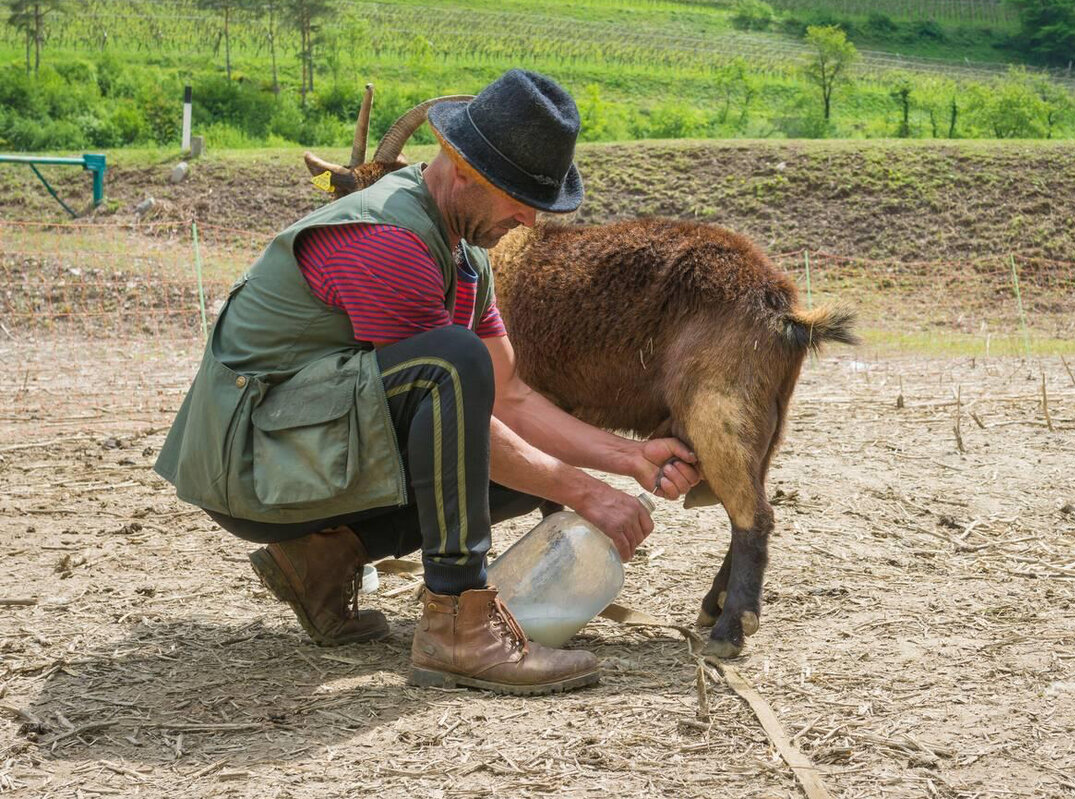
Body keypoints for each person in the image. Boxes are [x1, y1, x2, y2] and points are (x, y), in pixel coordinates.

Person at [153, 69, 701, 695]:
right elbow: (457, 389)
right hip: (247, 465)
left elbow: (510, 395)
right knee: (453, 363)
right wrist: (582, 491)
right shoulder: (390, 238)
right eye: (516, 195)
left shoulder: (466, 256)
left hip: (300, 448)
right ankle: (458, 627)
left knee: (508, 448)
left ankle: (321, 561)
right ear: (460, 166)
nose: (527, 217)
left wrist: (629, 457)